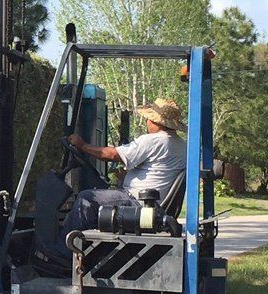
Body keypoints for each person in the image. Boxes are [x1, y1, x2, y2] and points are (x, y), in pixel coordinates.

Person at [62, 97, 186, 239]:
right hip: (153, 202)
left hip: (138, 202)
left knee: (87, 199)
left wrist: (83, 145)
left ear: (155, 121)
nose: (147, 122)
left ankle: (61, 253)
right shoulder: (180, 144)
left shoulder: (154, 140)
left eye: (148, 119)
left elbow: (113, 155)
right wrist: (125, 177)